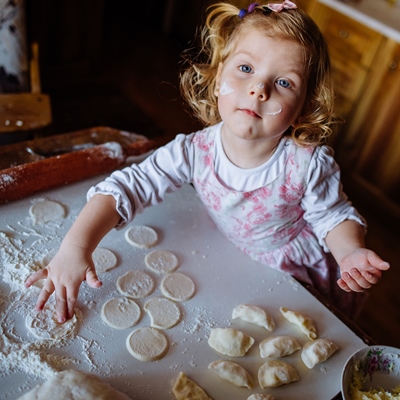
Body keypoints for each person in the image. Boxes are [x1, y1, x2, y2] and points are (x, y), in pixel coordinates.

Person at [25, 1, 389, 323]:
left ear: (302, 108)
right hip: (231, 261)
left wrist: (350, 251)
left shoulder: (308, 163)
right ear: (217, 81)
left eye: (283, 82)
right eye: (245, 69)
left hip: (293, 275)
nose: (259, 89)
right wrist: (76, 247)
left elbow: (333, 217)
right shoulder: (193, 151)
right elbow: (127, 187)